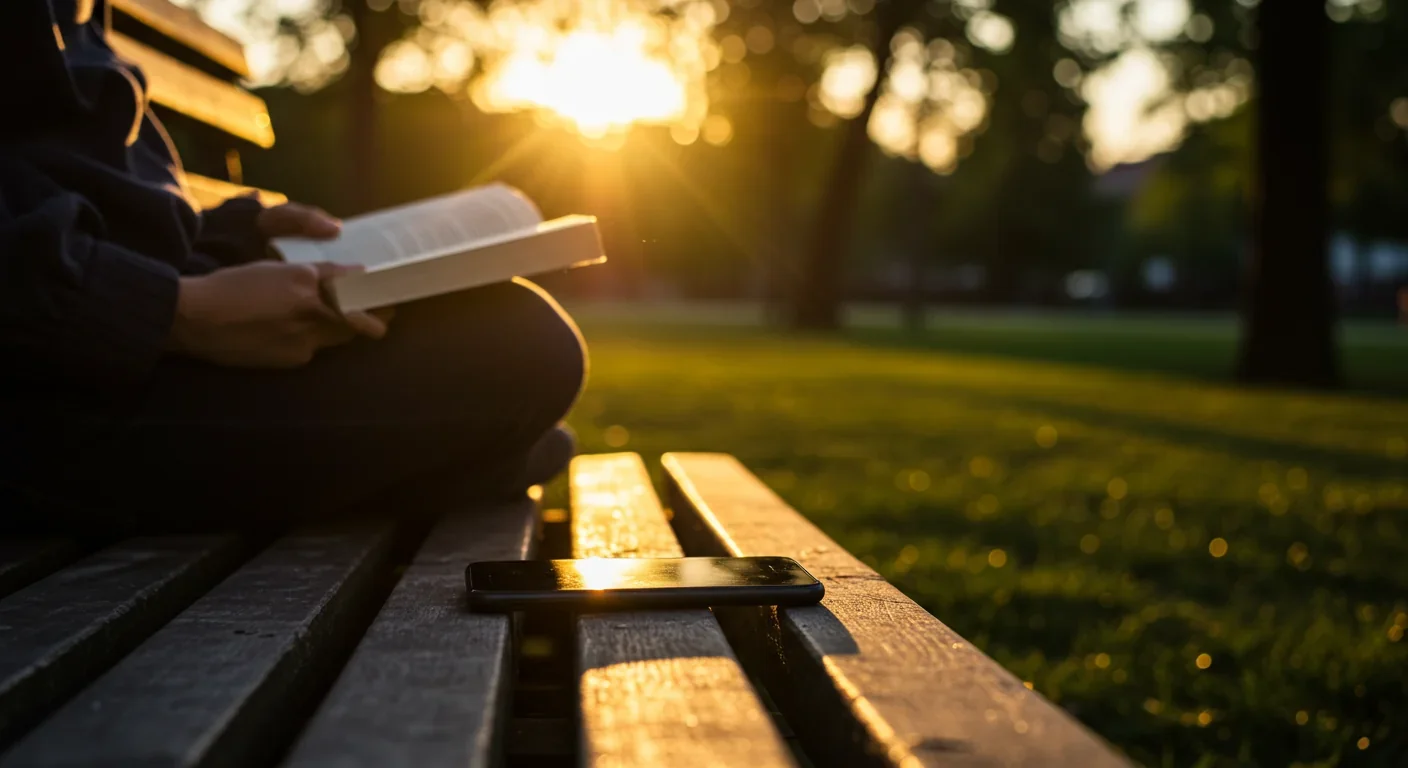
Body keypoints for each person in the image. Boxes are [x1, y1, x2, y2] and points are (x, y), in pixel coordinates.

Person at [0, 0, 586, 533]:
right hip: (61, 396)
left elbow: (81, 192)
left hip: (126, 324)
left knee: (501, 335)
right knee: (522, 348)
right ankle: (468, 461)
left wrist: (237, 229)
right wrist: (182, 314)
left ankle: (466, 453)